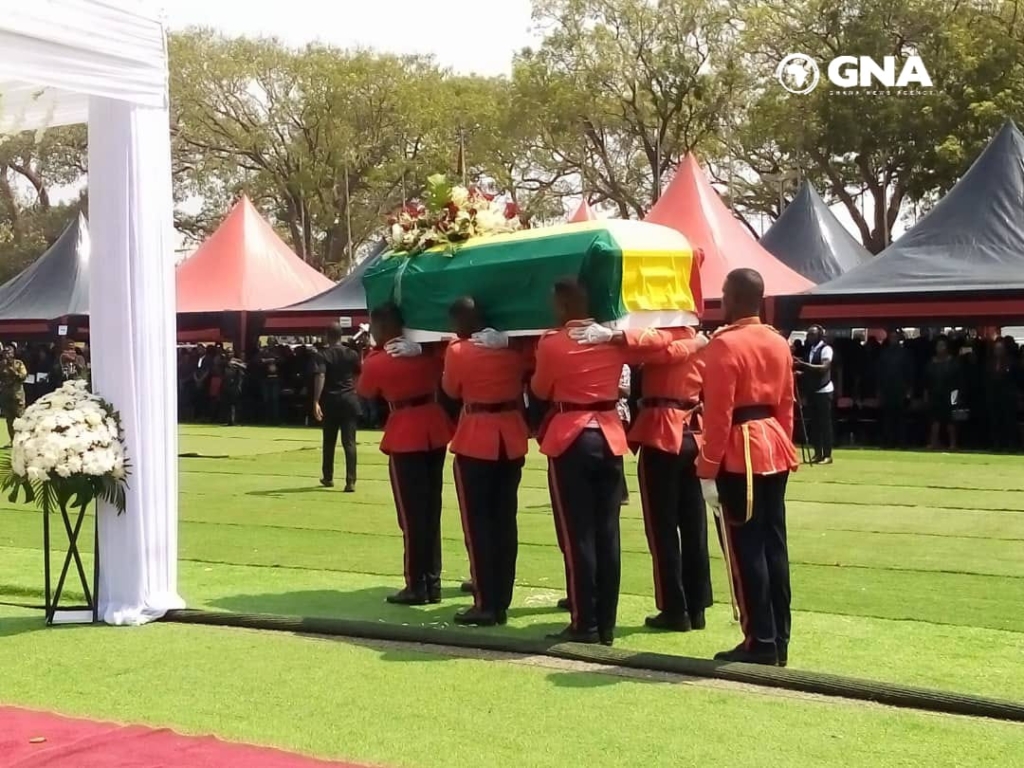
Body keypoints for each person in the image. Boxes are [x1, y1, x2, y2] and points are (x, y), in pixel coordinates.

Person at [531, 278, 681, 646]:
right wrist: (616, 338)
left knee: (578, 533)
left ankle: (585, 622)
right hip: (610, 435)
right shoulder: (613, 340)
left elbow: (540, 389)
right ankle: (607, 624)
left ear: (565, 307)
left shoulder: (551, 343)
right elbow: (663, 340)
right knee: (607, 534)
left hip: (570, 435)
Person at [697, 268, 798, 667]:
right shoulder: (777, 341)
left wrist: (707, 467)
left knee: (747, 548)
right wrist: (783, 444)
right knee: (774, 545)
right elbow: (787, 404)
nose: (721, 300)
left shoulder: (724, 345)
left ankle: (760, 638)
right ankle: (779, 637)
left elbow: (718, 415)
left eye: (724, 293)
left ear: (737, 298)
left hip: (742, 450)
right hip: (773, 442)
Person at [357, 303, 453, 605]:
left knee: (411, 517)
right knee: (430, 511)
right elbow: (444, 355)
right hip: (434, 427)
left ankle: (417, 584)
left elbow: (366, 390)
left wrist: (374, 351)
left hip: (405, 432)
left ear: (383, 328)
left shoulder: (379, 361)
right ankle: (433, 581)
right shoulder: (427, 354)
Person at [441, 297, 529, 627]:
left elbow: (451, 389)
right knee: (505, 524)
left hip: (476, 437)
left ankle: (485, 602)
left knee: (479, 526)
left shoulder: (459, 351)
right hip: (510, 436)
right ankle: (501, 599)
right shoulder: (513, 349)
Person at [312, 324, 364, 491]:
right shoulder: (351, 354)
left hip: (331, 400)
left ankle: (328, 477)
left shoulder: (322, 355)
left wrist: (316, 400)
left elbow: (321, 376)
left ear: (327, 335)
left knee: (329, 441)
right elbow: (358, 374)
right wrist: (354, 391)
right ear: (341, 335)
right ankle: (351, 480)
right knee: (349, 442)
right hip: (349, 399)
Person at [796, 325, 834, 465]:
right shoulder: (811, 350)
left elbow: (824, 368)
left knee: (825, 424)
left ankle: (827, 455)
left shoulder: (826, 349)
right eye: (808, 334)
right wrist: (801, 373)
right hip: (812, 391)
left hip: (824, 391)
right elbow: (812, 371)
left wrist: (802, 364)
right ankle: (817, 453)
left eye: (812, 334)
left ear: (819, 335)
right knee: (815, 424)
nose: (809, 337)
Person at [925, 336, 960, 451]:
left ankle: (953, 444)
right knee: (935, 420)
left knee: (951, 420)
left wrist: (955, 398)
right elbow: (927, 381)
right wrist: (926, 394)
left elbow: (957, 381)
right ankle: (934, 442)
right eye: (938, 345)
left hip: (950, 394)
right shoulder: (931, 363)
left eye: (943, 345)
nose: (940, 348)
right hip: (935, 394)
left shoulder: (953, 362)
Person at [0, 346, 28, 446]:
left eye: (9, 353)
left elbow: (23, 376)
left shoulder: (19, 364)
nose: (6, 355)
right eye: (5, 353)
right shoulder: (1, 364)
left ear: (13, 354)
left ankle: (22, 439)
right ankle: (12, 440)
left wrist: (13, 370)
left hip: (17, 395)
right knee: (9, 419)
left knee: (20, 418)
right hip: (5, 395)